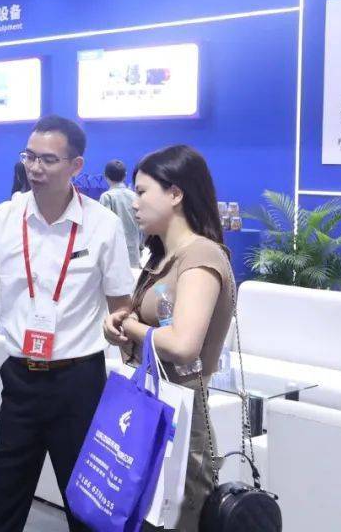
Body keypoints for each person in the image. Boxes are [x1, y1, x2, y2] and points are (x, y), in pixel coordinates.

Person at [0, 115, 134, 532]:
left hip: (79, 382)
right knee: (4, 500)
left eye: (48, 159)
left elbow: (120, 307)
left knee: (86, 507)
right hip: (21, 378)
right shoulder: (5, 217)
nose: (35, 167)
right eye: (29, 156)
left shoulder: (103, 226)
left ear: (75, 166)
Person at [101, 145, 236, 532]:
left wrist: (131, 328)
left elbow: (182, 345)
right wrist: (120, 325)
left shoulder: (201, 256)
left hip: (181, 417)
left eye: (143, 192)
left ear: (175, 194)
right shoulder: (161, 256)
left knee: (175, 520)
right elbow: (155, 326)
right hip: (152, 405)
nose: (135, 203)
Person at [99, 159, 143, 267]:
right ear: (125, 175)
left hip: (113, 256)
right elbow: (142, 226)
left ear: (105, 176)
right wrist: (140, 247)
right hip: (134, 254)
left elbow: (103, 228)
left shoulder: (107, 197)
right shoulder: (135, 196)